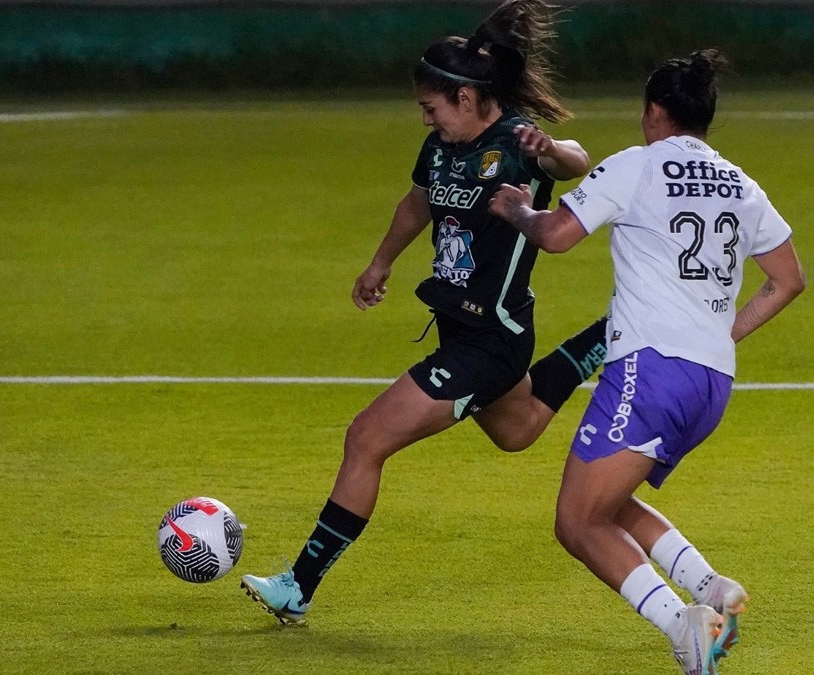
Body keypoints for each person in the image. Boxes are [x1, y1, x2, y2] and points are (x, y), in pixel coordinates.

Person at [240, 0, 607, 626]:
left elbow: (576, 161)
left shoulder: (517, 143)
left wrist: (551, 147)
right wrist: (380, 263)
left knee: (366, 438)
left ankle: (298, 586)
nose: (426, 118)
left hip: (488, 341)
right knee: (516, 431)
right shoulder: (440, 148)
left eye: (431, 107)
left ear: (466, 97)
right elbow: (417, 205)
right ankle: (610, 333)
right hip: (466, 328)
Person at [487, 49, 807, 675]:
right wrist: (723, 333)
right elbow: (788, 279)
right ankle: (712, 588)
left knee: (578, 522)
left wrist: (517, 208)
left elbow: (555, 236)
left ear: (655, 111)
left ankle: (684, 625)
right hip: (712, 381)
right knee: (607, 497)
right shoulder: (741, 184)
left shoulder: (637, 165)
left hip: (650, 370)